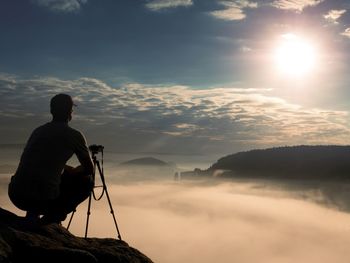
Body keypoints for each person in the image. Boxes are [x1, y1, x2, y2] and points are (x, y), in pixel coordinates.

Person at [8, 93, 94, 225]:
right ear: (70, 112)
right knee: (86, 181)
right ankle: (51, 220)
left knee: (44, 178)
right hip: (42, 200)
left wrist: (63, 168)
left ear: (51, 110)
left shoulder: (38, 131)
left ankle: (32, 216)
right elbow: (89, 169)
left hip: (16, 194)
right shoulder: (75, 135)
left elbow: (39, 161)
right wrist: (72, 172)